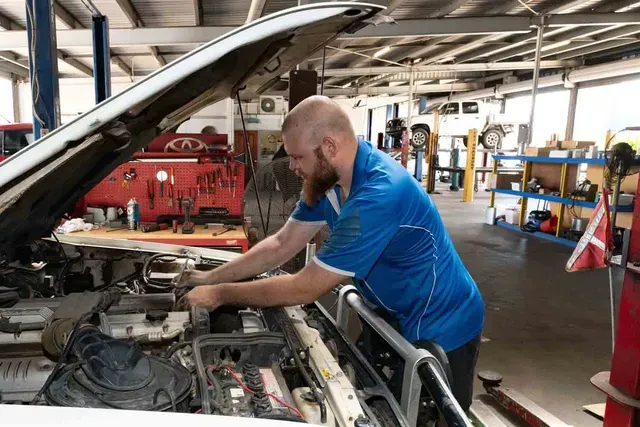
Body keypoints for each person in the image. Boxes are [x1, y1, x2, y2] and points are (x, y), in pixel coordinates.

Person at [178, 95, 484, 412]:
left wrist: (219, 294)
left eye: (297, 157)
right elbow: (282, 244)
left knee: (433, 414)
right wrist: (210, 277)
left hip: (443, 321)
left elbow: (306, 286)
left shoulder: (379, 194)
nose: (292, 166)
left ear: (329, 147)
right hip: (388, 311)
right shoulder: (328, 181)